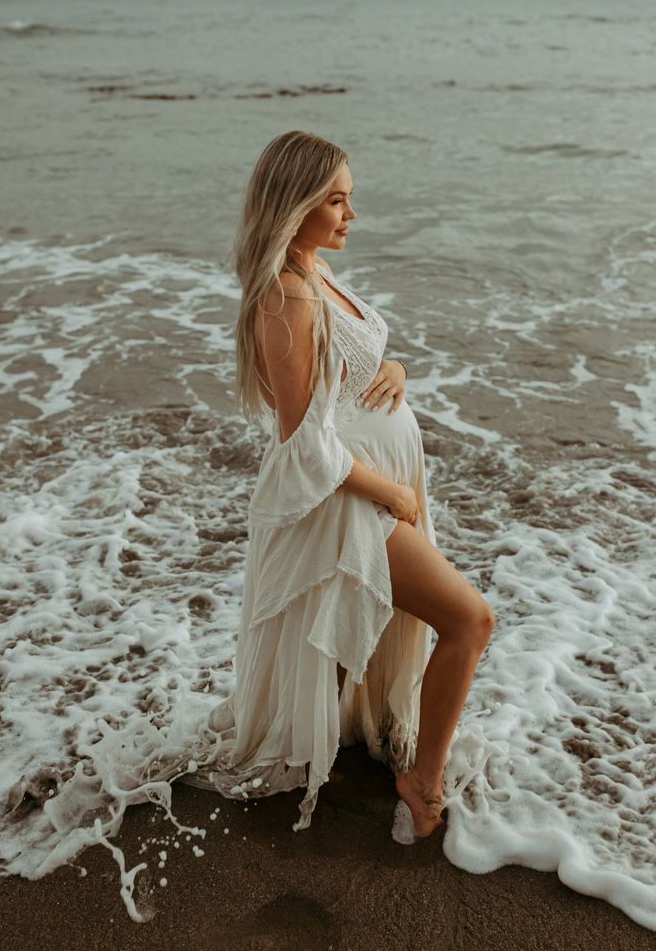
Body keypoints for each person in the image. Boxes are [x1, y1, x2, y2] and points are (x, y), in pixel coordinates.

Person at [182, 130, 495, 840]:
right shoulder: (285, 295)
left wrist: (397, 372)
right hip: (344, 503)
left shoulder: (314, 269)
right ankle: (421, 780)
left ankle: (349, 738)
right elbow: (302, 441)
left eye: (349, 197)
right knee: (469, 619)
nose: (350, 213)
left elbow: (345, 371)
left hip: (371, 486)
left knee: (366, 633)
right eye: (335, 199)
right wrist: (388, 492)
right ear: (294, 206)